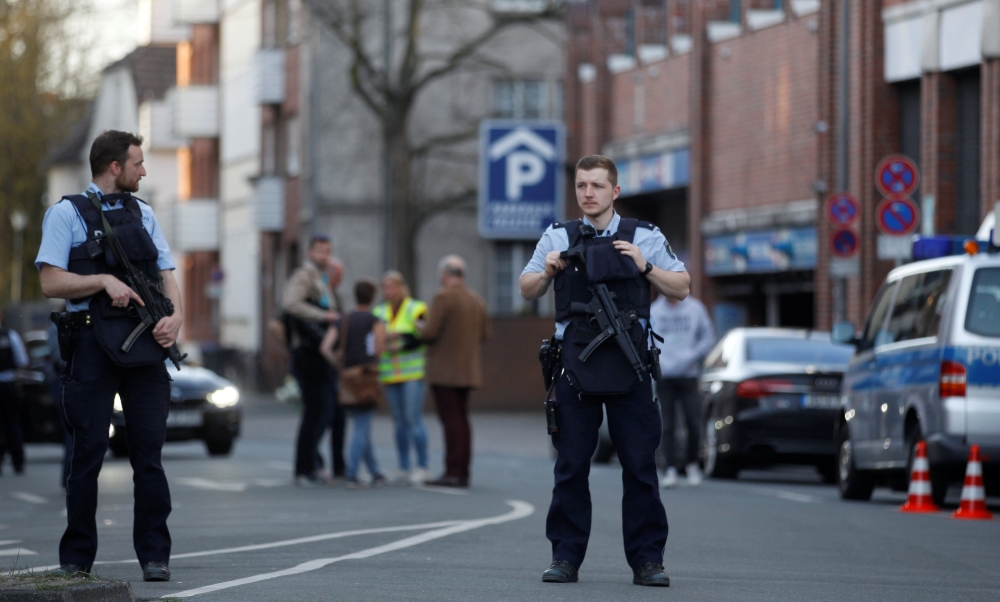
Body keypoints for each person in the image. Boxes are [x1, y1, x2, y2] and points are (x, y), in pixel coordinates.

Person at [520, 155, 690, 587]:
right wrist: (548, 270)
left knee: (639, 468)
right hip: (574, 368)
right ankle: (565, 558)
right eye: (581, 186)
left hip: (631, 369)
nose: (588, 193)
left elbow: (682, 287)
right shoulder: (558, 235)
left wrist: (645, 266)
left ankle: (648, 561)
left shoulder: (645, 236)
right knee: (571, 467)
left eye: (597, 186)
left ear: (615, 191)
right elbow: (527, 286)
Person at [35, 130, 182, 581]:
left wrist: (176, 319)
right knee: (88, 453)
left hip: (146, 344)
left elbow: (167, 274)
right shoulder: (65, 214)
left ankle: (155, 556)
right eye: (137, 162)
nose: (143, 170)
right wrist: (102, 281)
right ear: (114, 167)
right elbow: (51, 283)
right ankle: (77, 558)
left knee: (149, 456)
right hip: (90, 345)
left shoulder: (144, 212)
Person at [419, 256, 489, 488]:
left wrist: (419, 327)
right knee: (462, 420)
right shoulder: (476, 300)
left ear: (445, 274)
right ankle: (463, 471)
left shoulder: (442, 297)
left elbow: (430, 333)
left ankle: (451, 471)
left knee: (450, 421)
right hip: (468, 369)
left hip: (445, 371)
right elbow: (484, 334)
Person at [283, 235, 342, 486]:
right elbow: (290, 304)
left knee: (324, 412)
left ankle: (312, 466)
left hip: (319, 355)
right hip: (309, 355)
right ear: (310, 252)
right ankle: (304, 468)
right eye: (319, 250)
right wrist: (323, 315)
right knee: (314, 412)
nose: (324, 255)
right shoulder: (304, 276)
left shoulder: (322, 277)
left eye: (327, 251)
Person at [320, 279, 387, 489]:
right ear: (372, 297)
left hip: (347, 378)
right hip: (366, 377)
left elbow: (325, 347)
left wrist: (338, 366)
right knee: (361, 425)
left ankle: (375, 471)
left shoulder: (344, 320)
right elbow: (379, 349)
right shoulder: (374, 320)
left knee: (361, 424)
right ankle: (352, 474)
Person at [650, 293, 715, 488]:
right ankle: (670, 469)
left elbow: (708, 337)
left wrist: (692, 356)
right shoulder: (654, 311)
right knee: (667, 424)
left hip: (689, 375)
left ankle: (692, 464)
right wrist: (658, 363)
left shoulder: (695, 308)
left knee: (693, 422)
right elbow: (646, 340)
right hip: (664, 375)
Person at [372, 271, 430, 484]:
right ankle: (404, 466)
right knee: (398, 423)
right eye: (385, 287)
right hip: (390, 373)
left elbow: (424, 336)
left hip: (412, 372)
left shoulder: (416, 308)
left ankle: (423, 466)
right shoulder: (379, 312)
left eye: (392, 286)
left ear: (401, 287)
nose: (389, 291)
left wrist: (402, 340)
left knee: (413, 419)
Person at [316, 257, 346, 481]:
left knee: (338, 416)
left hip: (333, 364)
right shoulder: (321, 296)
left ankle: (339, 465)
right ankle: (315, 462)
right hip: (323, 364)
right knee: (323, 415)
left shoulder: (336, 296)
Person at [0, 308, 30, 476]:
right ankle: (18, 462)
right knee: (12, 424)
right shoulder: (10, 335)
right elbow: (22, 360)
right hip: (8, 383)